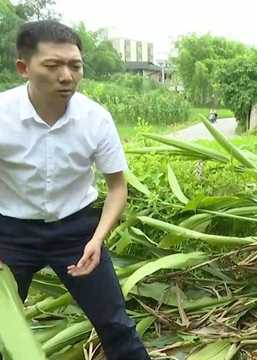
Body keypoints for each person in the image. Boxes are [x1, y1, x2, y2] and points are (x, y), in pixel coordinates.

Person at [0, 20, 150, 360]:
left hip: (77, 231)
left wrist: (98, 238)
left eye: (75, 65)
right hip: (9, 233)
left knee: (116, 324)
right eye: (52, 66)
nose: (66, 76)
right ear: (24, 68)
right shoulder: (1, 114)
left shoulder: (96, 119)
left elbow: (116, 188)